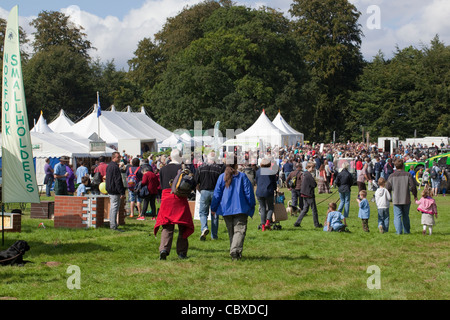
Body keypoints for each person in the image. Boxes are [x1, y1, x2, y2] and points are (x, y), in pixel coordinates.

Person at [211, 154, 256, 261]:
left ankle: (235, 253)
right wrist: (251, 204)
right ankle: (235, 251)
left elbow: (217, 194)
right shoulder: (241, 176)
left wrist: (214, 207)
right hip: (240, 207)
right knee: (239, 231)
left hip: (227, 208)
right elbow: (248, 193)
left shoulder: (222, 177)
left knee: (232, 232)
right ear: (236, 164)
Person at [154, 149, 195, 260]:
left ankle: (164, 249)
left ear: (170, 157)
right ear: (180, 157)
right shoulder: (184, 169)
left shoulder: (162, 169)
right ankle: (181, 252)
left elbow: (162, 185)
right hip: (179, 199)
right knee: (183, 226)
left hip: (166, 199)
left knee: (167, 226)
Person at [194, 152, 224, 240]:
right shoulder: (219, 169)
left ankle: (204, 228)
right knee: (214, 214)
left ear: (207, 158)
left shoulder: (200, 168)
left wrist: (200, 190)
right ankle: (214, 236)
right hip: (215, 192)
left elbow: (196, 181)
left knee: (203, 213)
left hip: (204, 191)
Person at [385, 159, 418, 235]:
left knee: (397, 216)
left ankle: (398, 231)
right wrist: (415, 195)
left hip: (396, 198)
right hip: (406, 198)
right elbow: (413, 186)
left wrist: (388, 196)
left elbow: (387, 187)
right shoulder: (408, 175)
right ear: (403, 165)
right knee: (406, 215)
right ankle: (406, 231)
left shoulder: (391, 176)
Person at [293, 162, 322, 229]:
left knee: (305, 209)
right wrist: (315, 182)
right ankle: (316, 224)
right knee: (314, 210)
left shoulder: (304, 174)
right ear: (309, 167)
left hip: (304, 193)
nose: (313, 169)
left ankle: (297, 223)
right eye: (313, 167)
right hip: (309, 194)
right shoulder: (308, 175)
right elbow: (314, 184)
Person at [105, 152, 126, 232]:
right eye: (118, 157)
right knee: (114, 207)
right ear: (114, 157)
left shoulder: (109, 166)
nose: (120, 158)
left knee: (112, 207)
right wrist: (122, 191)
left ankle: (112, 223)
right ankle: (113, 225)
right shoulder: (115, 167)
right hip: (114, 190)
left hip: (110, 189)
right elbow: (117, 180)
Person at [255, 158, 277, 231]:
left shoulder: (258, 172)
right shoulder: (271, 172)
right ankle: (268, 222)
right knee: (270, 207)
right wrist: (275, 189)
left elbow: (257, 181)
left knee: (263, 208)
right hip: (268, 191)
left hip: (259, 192)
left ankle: (263, 225)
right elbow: (274, 182)